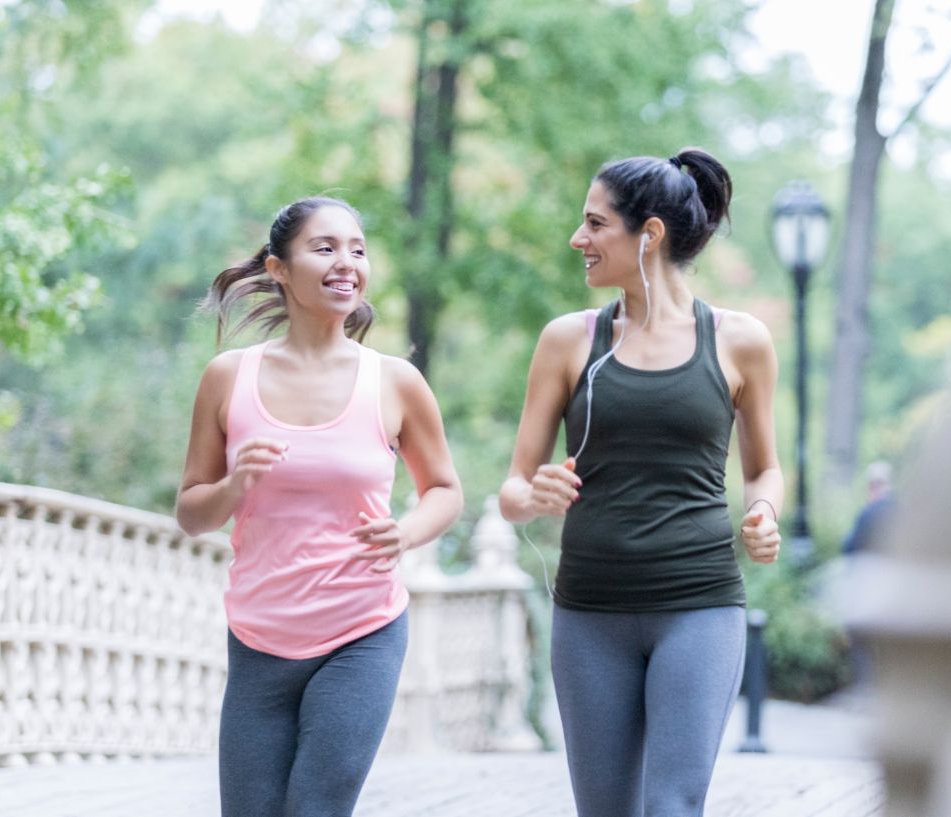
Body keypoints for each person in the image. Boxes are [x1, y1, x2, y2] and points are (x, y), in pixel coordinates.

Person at [499, 149, 784, 817]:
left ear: (648, 234)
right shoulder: (568, 341)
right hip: (589, 613)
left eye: (595, 224)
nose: (579, 239)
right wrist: (533, 493)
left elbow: (763, 465)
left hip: (699, 604)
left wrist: (763, 510)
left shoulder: (739, 340)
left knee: (672, 804)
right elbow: (513, 489)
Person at [176, 197, 463, 817]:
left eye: (357, 250)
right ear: (279, 268)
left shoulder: (394, 381)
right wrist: (233, 488)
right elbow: (192, 511)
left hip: (362, 627)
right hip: (258, 634)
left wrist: (406, 533)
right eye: (325, 247)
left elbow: (445, 490)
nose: (347, 263)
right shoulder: (229, 378)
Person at [841, 460, 896, 556]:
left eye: (873, 486)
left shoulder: (868, 513)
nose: (872, 490)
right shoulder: (904, 509)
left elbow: (849, 547)